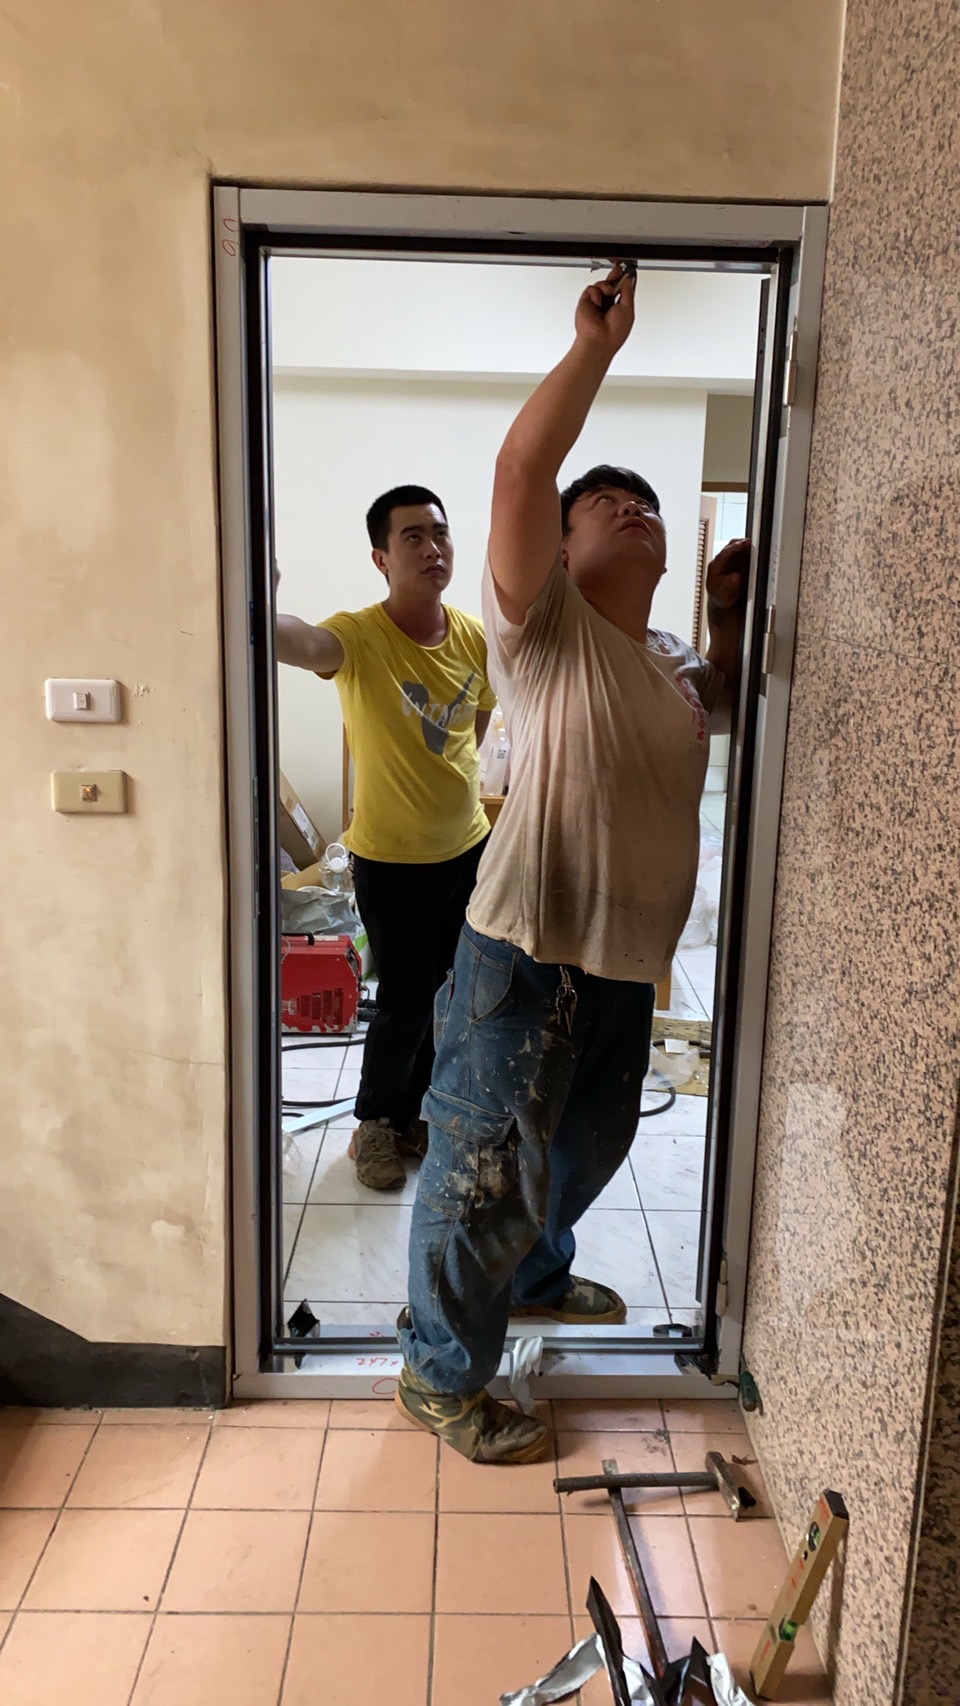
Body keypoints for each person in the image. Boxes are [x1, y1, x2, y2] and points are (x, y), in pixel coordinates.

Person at [396, 269, 749, 1461]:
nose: (631, 507)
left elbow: (727, 696)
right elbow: (517, 473)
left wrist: (726, 614)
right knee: (483, 1170)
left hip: (622, 965)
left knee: (585, 1147)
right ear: (558, 542)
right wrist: (595, 349)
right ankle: (439, 1374)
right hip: (525, 953)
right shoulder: (544, 634)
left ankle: (537, 1275)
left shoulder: (667, 661)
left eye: (646, 503)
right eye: (603, 500)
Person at [276, 486, 497, 1191]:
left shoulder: (473, 637)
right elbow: (298, 641)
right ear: (382, 558)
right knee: (404, 1000)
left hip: (467, 850)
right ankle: (373, 1124)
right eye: (413, 537)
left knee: (449, 996)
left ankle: (414, 1116)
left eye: (440, 533)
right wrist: (258, 591)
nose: (433, 548)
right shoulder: (361, 636)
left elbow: (470, 734)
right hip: (391, 861)